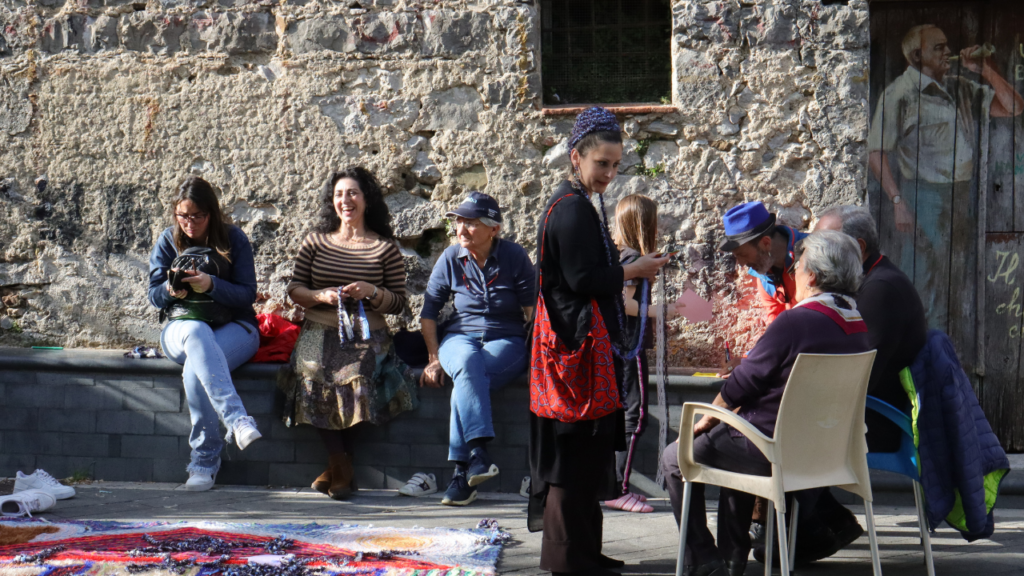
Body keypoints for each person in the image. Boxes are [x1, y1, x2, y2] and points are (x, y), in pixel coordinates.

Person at [660, 230, 870, 576]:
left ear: (813, 276)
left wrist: (711, 416)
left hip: (774, 450)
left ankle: (703, 558)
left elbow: (743, 382)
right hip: (823, 453)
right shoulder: (857, 324)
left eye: (798, 267)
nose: (793, 272)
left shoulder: (796, 321)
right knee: (734, 438)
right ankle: (732, 557)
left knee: (673, 456)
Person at [528, 107, 669, 575]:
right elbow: (582, 277)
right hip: (573, 355)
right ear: (577, 157)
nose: (609, 172)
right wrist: (634, 270)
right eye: (601, 163)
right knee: (572, 459)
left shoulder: (579, 203)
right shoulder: (570, 209)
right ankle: (570, 560)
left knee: (586, 460)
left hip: (582, 350)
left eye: (615, 164)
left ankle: (585, 553)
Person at [868, 24, 1022, 327]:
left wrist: (984, 70)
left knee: (954, 277)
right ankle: (920, 352)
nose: (948, 52)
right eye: (939, 47)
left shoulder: (959, 86)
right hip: (923, 197)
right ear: (916, 56)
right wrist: (898, 200)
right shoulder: (899, 94)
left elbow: (1014, 107)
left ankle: (943, 349)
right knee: (924, 278)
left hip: (960, 196)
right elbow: (876, 152)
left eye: (947, 45)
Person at [281, 167, 418, 500]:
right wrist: (320, 296)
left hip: (368, 332)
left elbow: (399, 303)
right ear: (333, 200)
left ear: (366, 199)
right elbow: (294, 289)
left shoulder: (385, 247)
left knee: (358, 375)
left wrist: (372, 291)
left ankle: (338, 468)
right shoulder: (315, 241)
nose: (346, 200)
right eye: (340, 194)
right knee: (312, 372)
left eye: (353, 193)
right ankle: (341, 464)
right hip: (319, 326)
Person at [416, 191, 536, 506]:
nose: (461, 230)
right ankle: (478, 454)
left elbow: (532, 312)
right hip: (458, 338)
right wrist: (432, 358)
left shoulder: (514, 256)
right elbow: (429, 313)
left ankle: (461, 472)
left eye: (471, 223)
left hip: (506, 340)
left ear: (493, 229)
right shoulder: (450, 258)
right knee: (467, 361)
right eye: (459, 221)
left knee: (467, 378)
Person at [147, 176, 262, 492]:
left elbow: (247, 295)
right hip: (181, 327)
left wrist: (211, 285)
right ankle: (238, 419)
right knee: (197, 334)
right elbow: (154, 295)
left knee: (196, 369)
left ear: (211, 213)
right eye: (183, 216)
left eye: (197, 216)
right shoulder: (168, 241)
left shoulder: (233, 239)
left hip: (235, 327)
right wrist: (172, 290)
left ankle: (203, 461)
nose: (189, 223)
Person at [605, 194, 683, 514]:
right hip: (628, 348)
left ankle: (614, 486)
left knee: (623, 416)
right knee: (634, 417)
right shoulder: (633, 260)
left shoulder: (622, 256)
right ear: (645, 224)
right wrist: (666, 310)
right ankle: (617, 488)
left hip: (620, 347)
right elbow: (623, 304)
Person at [719, 201, 809, 327]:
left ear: (766, 243)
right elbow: (777, 327)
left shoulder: (814, 255)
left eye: (743, 255)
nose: (742, 264)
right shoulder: (764, 278)